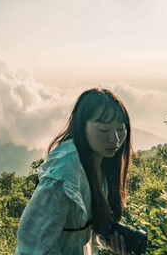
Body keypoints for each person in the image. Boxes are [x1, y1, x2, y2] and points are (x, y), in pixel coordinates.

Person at [15, 88, 135, 255]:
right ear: (82, 126)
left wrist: (109, 241)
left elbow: (80, 231)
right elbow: (30, 241)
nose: (114, 139)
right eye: (104, 130)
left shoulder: (101, 165)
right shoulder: (63, 177)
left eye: (121, 130)